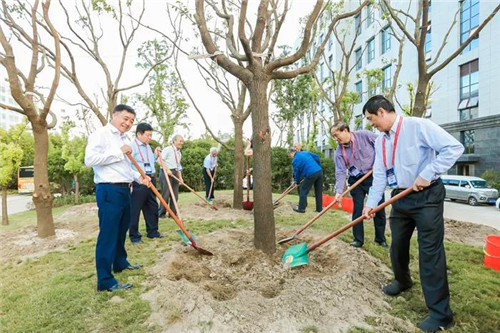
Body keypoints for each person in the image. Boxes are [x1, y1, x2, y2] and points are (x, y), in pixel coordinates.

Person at [361, 95, 463, 332]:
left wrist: (429, 172)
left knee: (430, 252)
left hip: (427, 196)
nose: (371, 124)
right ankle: (402, 280)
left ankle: (441, 314)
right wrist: (371, 204)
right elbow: (379, 176)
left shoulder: (418, 126)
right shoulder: (380, 141)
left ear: (382, 111)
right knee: (397, 245)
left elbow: (454, 148)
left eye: (371, 118)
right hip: (401, 197)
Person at [84, 104, 144, 292]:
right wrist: (120, 152)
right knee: (108, 234)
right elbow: (90, 160)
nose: (128, 123)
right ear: (115, 115)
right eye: (125, 118)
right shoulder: (100, 135)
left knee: (121, 230)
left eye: (131, 121)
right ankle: (105, 280)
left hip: (125, 189)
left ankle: (120, 262)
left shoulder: (124, 138)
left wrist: (139, 177)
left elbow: (124, 168)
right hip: (108, 190)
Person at [331, 121, 388, 248]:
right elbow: (340, 171)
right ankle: (358, 240)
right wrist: (339, 191)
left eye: (336, 135)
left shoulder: (365, 135)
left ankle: (380, 239)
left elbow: (383, 144)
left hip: (373, 176)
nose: (335, 139)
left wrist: (380, 162)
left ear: (345, 130)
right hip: (355, 180)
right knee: (357, 209)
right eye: (333, 137)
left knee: (379, 208)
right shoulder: (339, 151)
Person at [128, 123, 164, 245]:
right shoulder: (131, 146)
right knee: (135, 208)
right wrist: (138, 178)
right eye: (148, 135)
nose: (150, 138)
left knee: (152, 206)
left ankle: (153, 231)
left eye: (151, 135)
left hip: (151, 180)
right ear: (139, 134)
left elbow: (150, 161)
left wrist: (156, 154)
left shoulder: (148, 147)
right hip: (139, 181)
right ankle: (134, 236)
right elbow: (127, 166)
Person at [288, 147, 323, 213]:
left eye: (289, 155)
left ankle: (301, 209)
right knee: (318, 191)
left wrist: (297, 182)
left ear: (292, 153)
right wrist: (317, 166)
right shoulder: (305, 152)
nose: (290, 157)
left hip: (311, 173)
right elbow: (317, 157)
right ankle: (319, 209)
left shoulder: (295, 160)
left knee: (303, 190)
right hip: (319, 171)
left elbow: (297, 173)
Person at [158, 134, 184, 218]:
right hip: (166, 172)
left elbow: (178, 166)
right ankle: (161, 213)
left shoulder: (179, 153)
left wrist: (180, 177)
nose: (181, 143)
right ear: (174, 141)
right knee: (166, 194)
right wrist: (167, 169)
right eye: (180, 141)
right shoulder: (168, 149)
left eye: (182, 141)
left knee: (175, 195)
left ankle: (172, 214)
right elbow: (159, 161)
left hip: (175, 172)